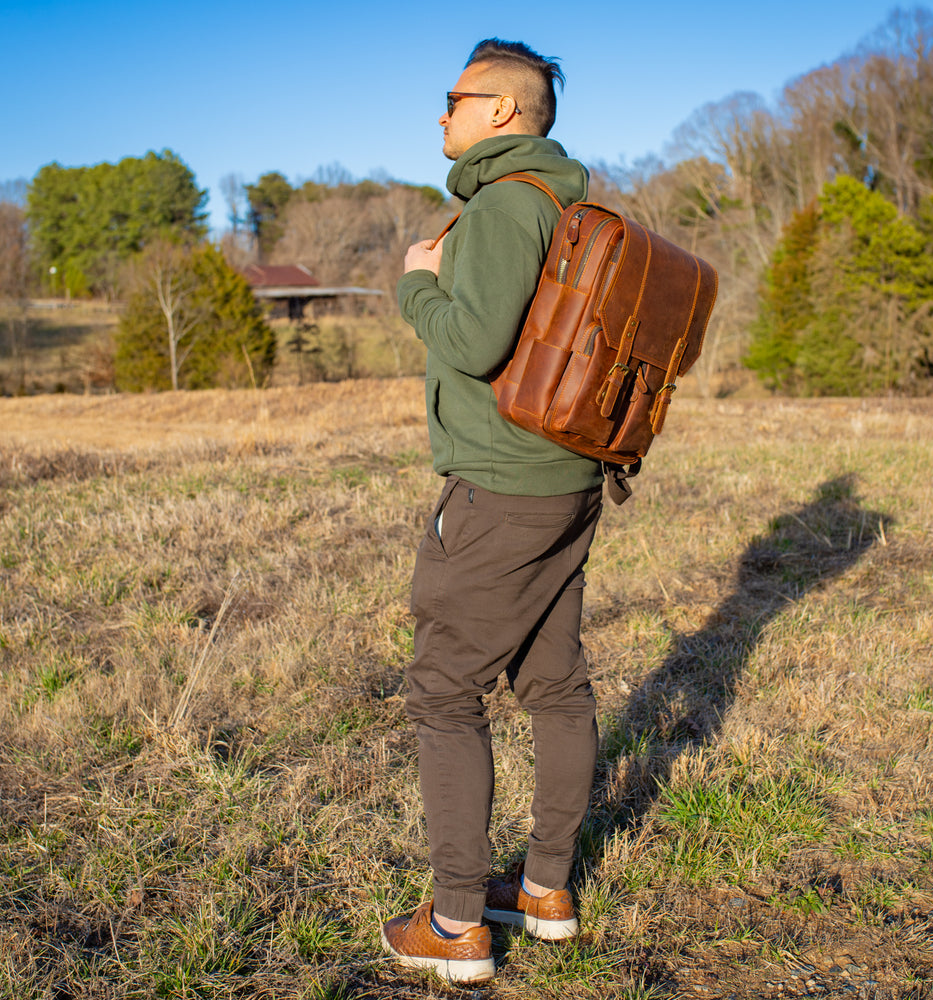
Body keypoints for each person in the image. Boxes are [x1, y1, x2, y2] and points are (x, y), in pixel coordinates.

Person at [380, 38, 605, 984]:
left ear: (502, 112)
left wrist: (418, 284)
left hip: (503, 487)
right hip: (565, 476)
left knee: (443, 693)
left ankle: (459, 921)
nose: (441, 114)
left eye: (454, 98)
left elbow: (473, 345)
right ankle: (545, 890)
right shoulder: (570, 203)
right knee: (553, 684)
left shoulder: (509, 206)